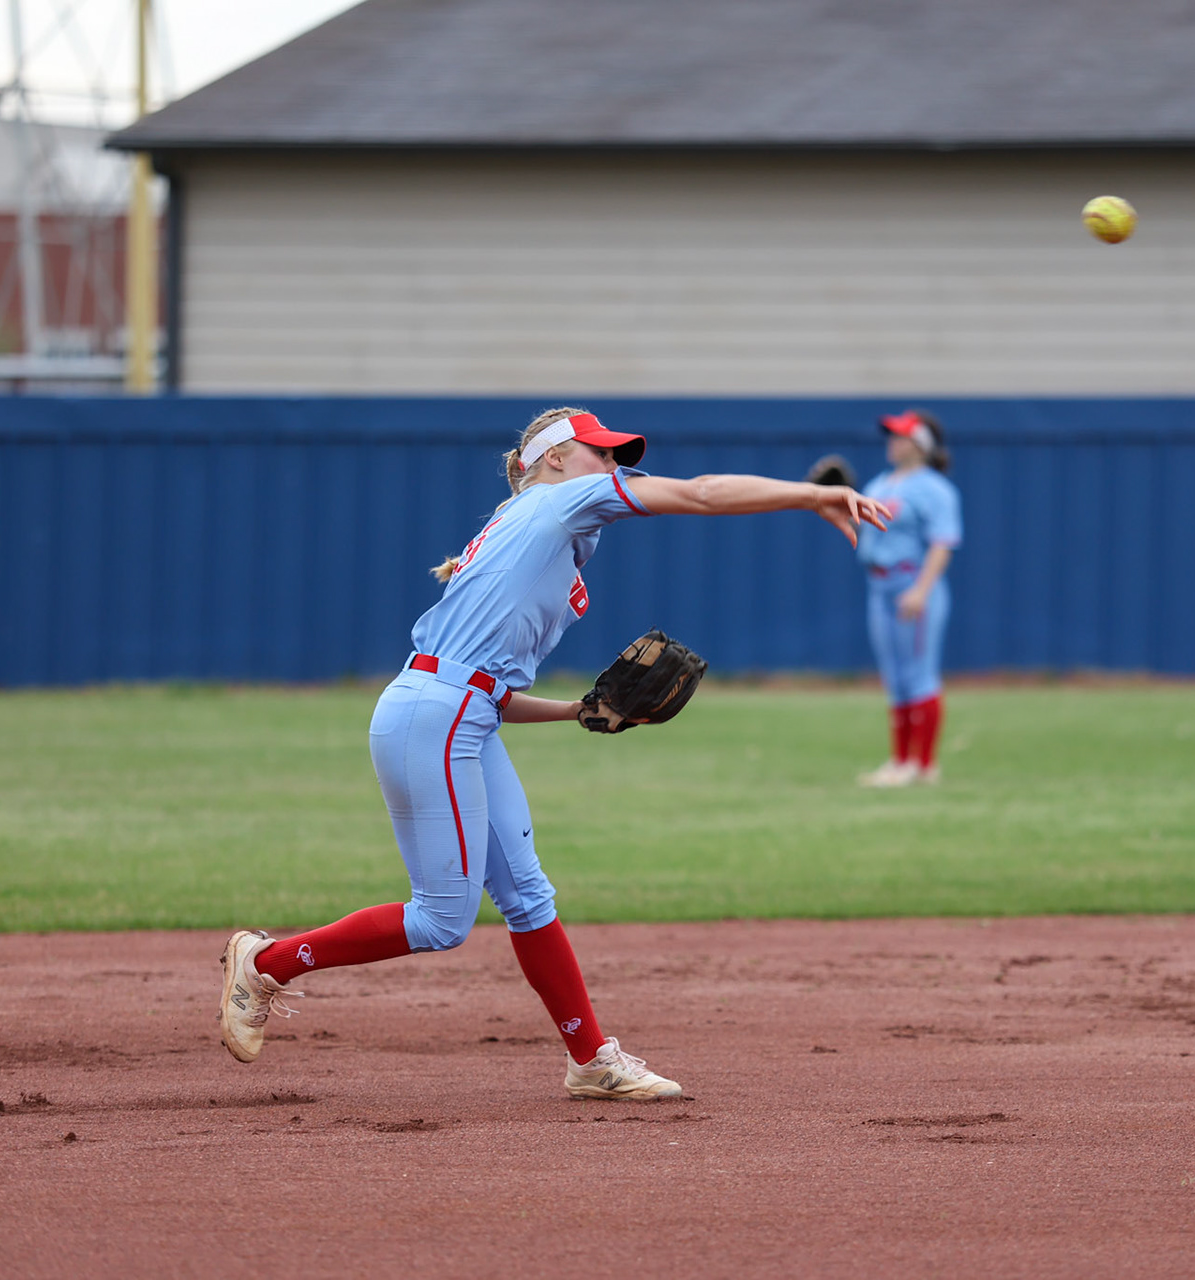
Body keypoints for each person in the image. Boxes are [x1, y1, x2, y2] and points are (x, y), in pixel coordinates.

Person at [217, 407, 889, 1100]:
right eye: (601, 454)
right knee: (442, 919)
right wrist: (814, 494)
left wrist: (574, 711)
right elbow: (702, 492)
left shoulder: (539, 543)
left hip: (459, 717)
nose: (615, 469)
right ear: (555, 459)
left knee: (527, 895)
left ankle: (591, 1059)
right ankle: (265, 962)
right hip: (436, 718)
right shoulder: (561, 500)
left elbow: (491, 693)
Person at [855, 410, 962, 788]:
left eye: (901, 436)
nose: (893, 442)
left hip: (912, 586)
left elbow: (942, 543)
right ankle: (901, 762)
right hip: (879, 586)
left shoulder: (934, 489)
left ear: (921, 444)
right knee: (896, 679)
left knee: (920, 675)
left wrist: (921, 590)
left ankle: (923, 764)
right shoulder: (880, 483)